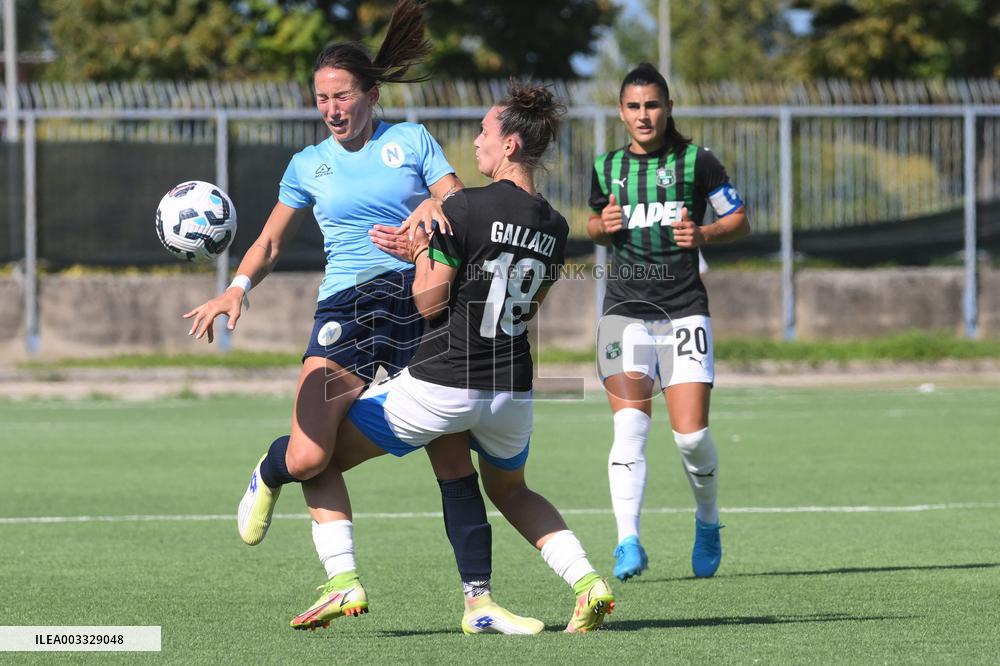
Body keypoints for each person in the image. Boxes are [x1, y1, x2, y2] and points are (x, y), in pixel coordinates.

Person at [182, 0, 512, 624]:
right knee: (309, 456)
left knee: (451, 453)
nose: (332, 109)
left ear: (370, 93)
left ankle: (480, 601)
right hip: (349, 311)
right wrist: (238, 287)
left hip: (420, 305)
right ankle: (275, 480)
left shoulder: (409, 140)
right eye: (321, 99)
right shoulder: (308, 165)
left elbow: (459, 203)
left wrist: (426, 216)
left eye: (342, 96)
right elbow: (272, 239)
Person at [297, 82, 615, 634]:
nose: (476, 141)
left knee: (316, 460)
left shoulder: (464, 206)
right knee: (511, 490)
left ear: (511, 144)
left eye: (486, 132)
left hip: (445, 384)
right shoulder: (555, 226)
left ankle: (339, 576)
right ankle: (588, 582)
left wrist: (420, 252)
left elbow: (428, 299)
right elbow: (529, 303)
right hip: (512, 391)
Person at [586, 63, 750, 582]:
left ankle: (707, 521)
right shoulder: (607, 165)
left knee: (690, 437)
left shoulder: (696, 161)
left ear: (668, 107)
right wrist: (599, 226)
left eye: (652, 105)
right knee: (630, 427)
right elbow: (593, 223)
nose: (643, 115)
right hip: (624, 313)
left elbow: (739, 219)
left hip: (683, 310)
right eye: (633, 106)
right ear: (620, 112)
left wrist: (705, 234)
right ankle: (626, 540)